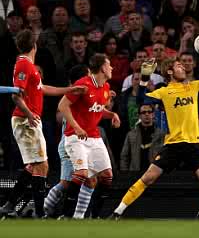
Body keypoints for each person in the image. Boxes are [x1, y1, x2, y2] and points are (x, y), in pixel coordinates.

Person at [111, 58, 199, 219]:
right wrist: (145, 77)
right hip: (172, 146)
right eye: (179, 66)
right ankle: (117, 212)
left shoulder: (193, 86)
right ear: (169, 71)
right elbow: (142, 98)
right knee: (147, 178)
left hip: (193, 145)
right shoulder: (164, 92)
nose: (183, 67)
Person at [0, 30, 86, 218]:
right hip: (26, 120)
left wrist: (70, 89)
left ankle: (10, 205)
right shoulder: (24, 64)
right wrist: (29, 115)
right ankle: (39, 213)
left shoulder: (29, 66)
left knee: (35, 165)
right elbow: (16, 95)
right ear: (35, 45)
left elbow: (44, 89)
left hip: (29, 119)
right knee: (42, 165)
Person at [58, 53, 121, 219]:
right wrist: (77, 127)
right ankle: (65, 215)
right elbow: (62, 105)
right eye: (109, 65)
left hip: (94, 137)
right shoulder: (83, 84)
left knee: (107, 175)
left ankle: (95, 217)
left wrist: (112, 114)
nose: (112, 68)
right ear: (102, 68)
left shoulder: (106, 88)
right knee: (82, 174)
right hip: (75, 137)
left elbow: (97, 109)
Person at [43, 64, 90, 217]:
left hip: (76, 144)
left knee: (85, 180)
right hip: (70, 144)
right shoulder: (74, 96)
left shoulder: (78, 95)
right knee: (67, 183)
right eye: (88, 75)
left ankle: (75, 215)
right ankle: (43, 209)